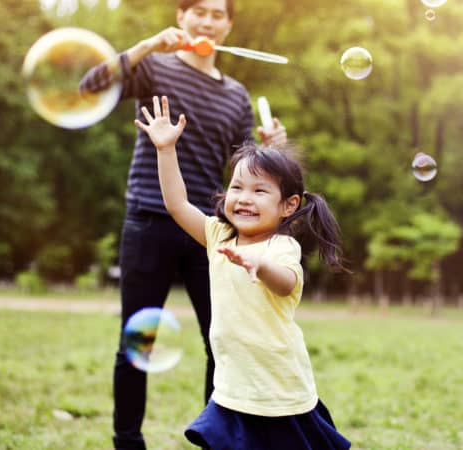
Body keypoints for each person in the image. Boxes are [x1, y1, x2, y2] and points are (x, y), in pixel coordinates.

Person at [78, 1, 287, 448]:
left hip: (208, 229)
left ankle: (217, 440)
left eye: (217, 14)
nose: (207, 21)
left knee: (223, 342)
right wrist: (148, 45)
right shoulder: (154, 68)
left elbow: (244, 170)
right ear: (181, 17)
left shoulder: (235, 95)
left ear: (229, 25)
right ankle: (128, 442)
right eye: (199, 11)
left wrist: (272, 150)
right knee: (136, 342)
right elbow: (89, 85)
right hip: (149, 218)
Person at [135, 95, 351, 449]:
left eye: (259, 191)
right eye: (237, 187)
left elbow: (286, 283)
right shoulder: (219, 234)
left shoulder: (282, 247)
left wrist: (261, 266)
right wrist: (165, 149)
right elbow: (176, 205)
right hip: (234, 388)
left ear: (288, 205)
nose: (244, 198)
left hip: (279, 390)